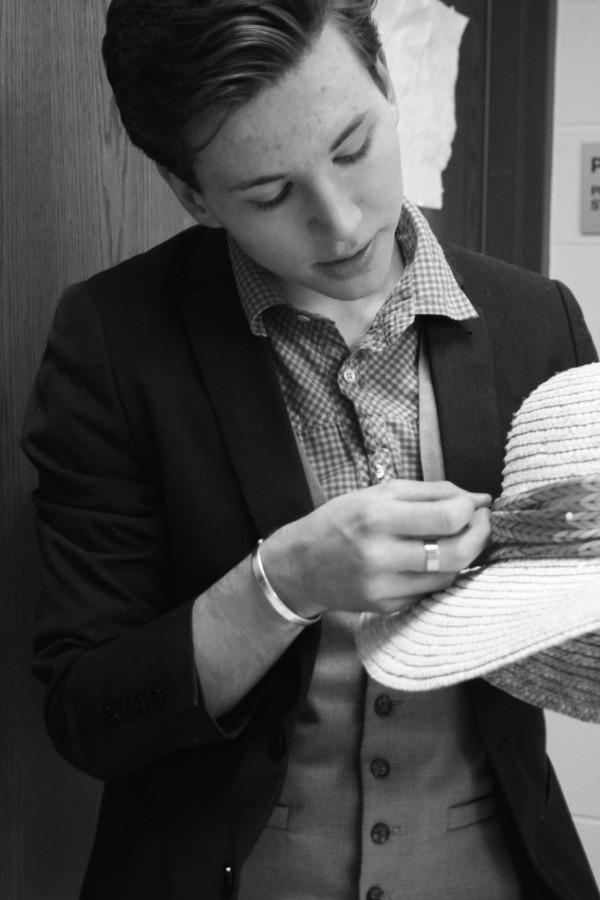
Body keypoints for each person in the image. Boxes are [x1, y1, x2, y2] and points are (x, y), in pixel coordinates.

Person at [22, 2, 600, 899]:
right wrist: (279, 585)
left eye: (353, 147)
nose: (340, 225)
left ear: (385, 82)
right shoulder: (113, 340)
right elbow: (88, 713)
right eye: (269, 193)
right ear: (192, 195)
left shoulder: (541, 319)